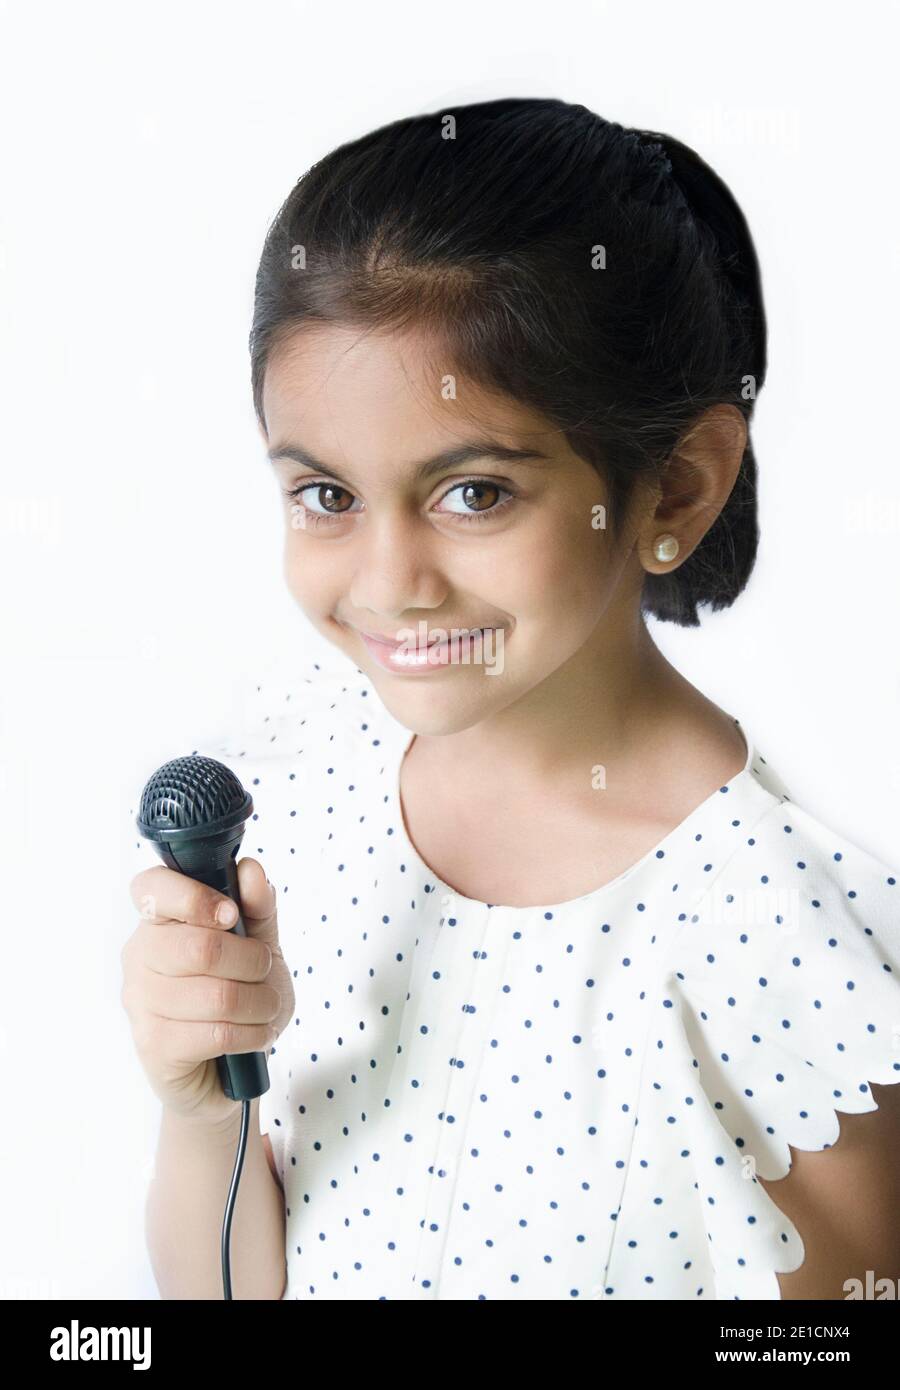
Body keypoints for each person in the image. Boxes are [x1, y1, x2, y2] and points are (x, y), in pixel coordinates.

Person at [123, 97, 900, 1300]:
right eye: (326, 494)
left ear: (677, 489)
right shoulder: (293, 786)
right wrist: (201, 1108)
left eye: (474, 493)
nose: (390, 585)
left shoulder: (782, 936)